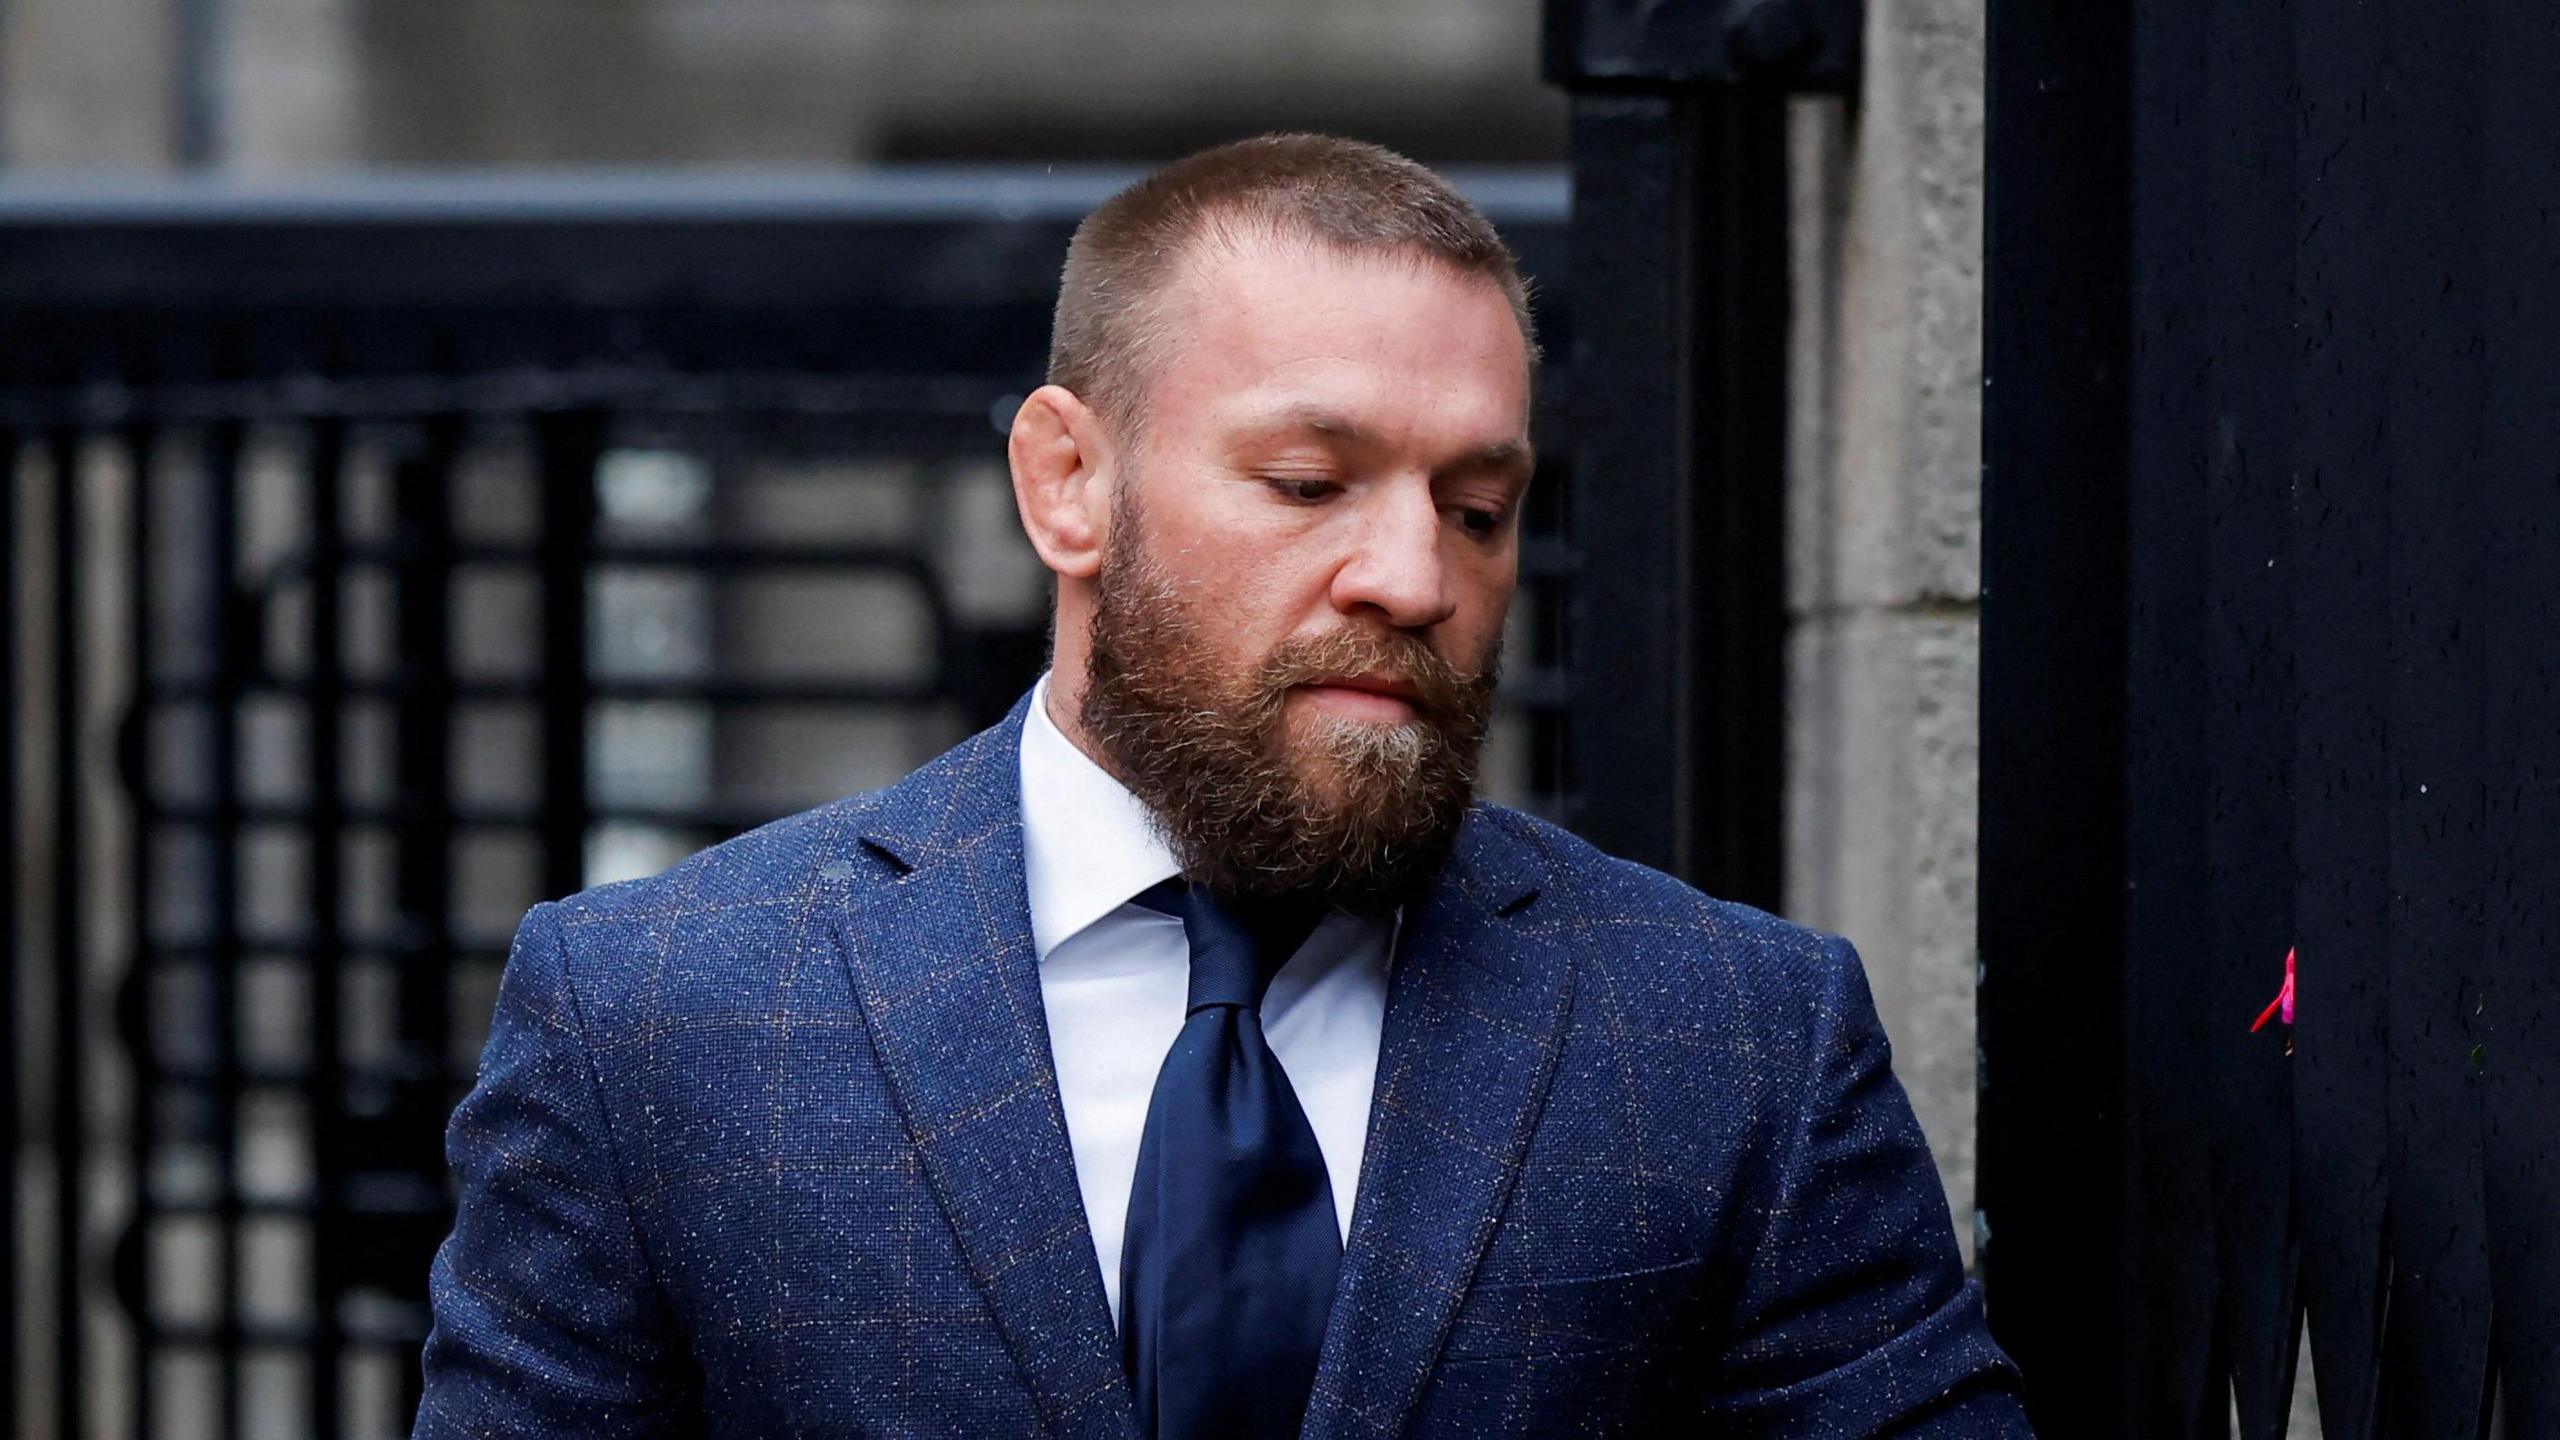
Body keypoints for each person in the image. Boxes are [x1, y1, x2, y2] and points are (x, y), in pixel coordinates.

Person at [413, 133, 2032, 1438]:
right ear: (1068, 484)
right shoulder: (656, 1016)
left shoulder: (1737, 1036)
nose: (1413, 575)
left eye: (1480, 508)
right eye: (1312, 482)